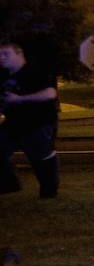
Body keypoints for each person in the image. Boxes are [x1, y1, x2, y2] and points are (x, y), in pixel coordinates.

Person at [0, 41, 60, 199]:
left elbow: (50, 94)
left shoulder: (36, 71)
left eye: (6, 54)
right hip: (13, 123)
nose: (1, 58)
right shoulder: (4, 76)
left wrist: (20, 99)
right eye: (0, 54)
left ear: (19, 53)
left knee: (41, 157)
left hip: (39, 121)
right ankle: (9, 184)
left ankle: (49, 190)